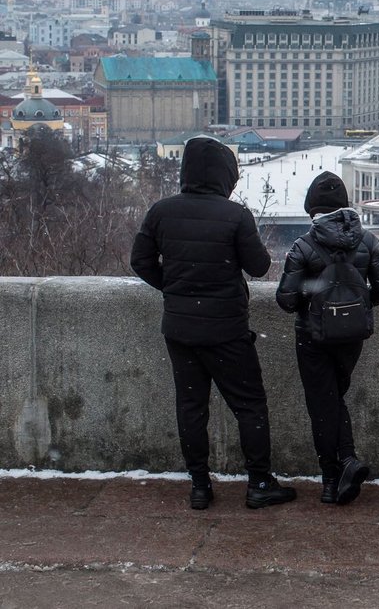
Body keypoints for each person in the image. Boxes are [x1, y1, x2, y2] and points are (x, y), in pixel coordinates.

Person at [130, 136, 296, 510]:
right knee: (249, 405)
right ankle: (258, 482)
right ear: (225, 176)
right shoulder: (235, 215)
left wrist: (174, 289)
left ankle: (200, 486)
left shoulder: (161, 211)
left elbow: (140, 261)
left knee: (191, 407)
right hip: (226, 331)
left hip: (180, 330)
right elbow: (258, 267)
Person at [276, 172, 379, 505]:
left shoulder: (303, 246)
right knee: (334, 399)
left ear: (312, 209)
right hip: (351, 337)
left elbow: (285, 300)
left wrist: (317, 306)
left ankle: (332, 478)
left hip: (312, 338)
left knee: (321, 405)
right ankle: (347, 461)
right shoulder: (369, 241)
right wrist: (353, 308)